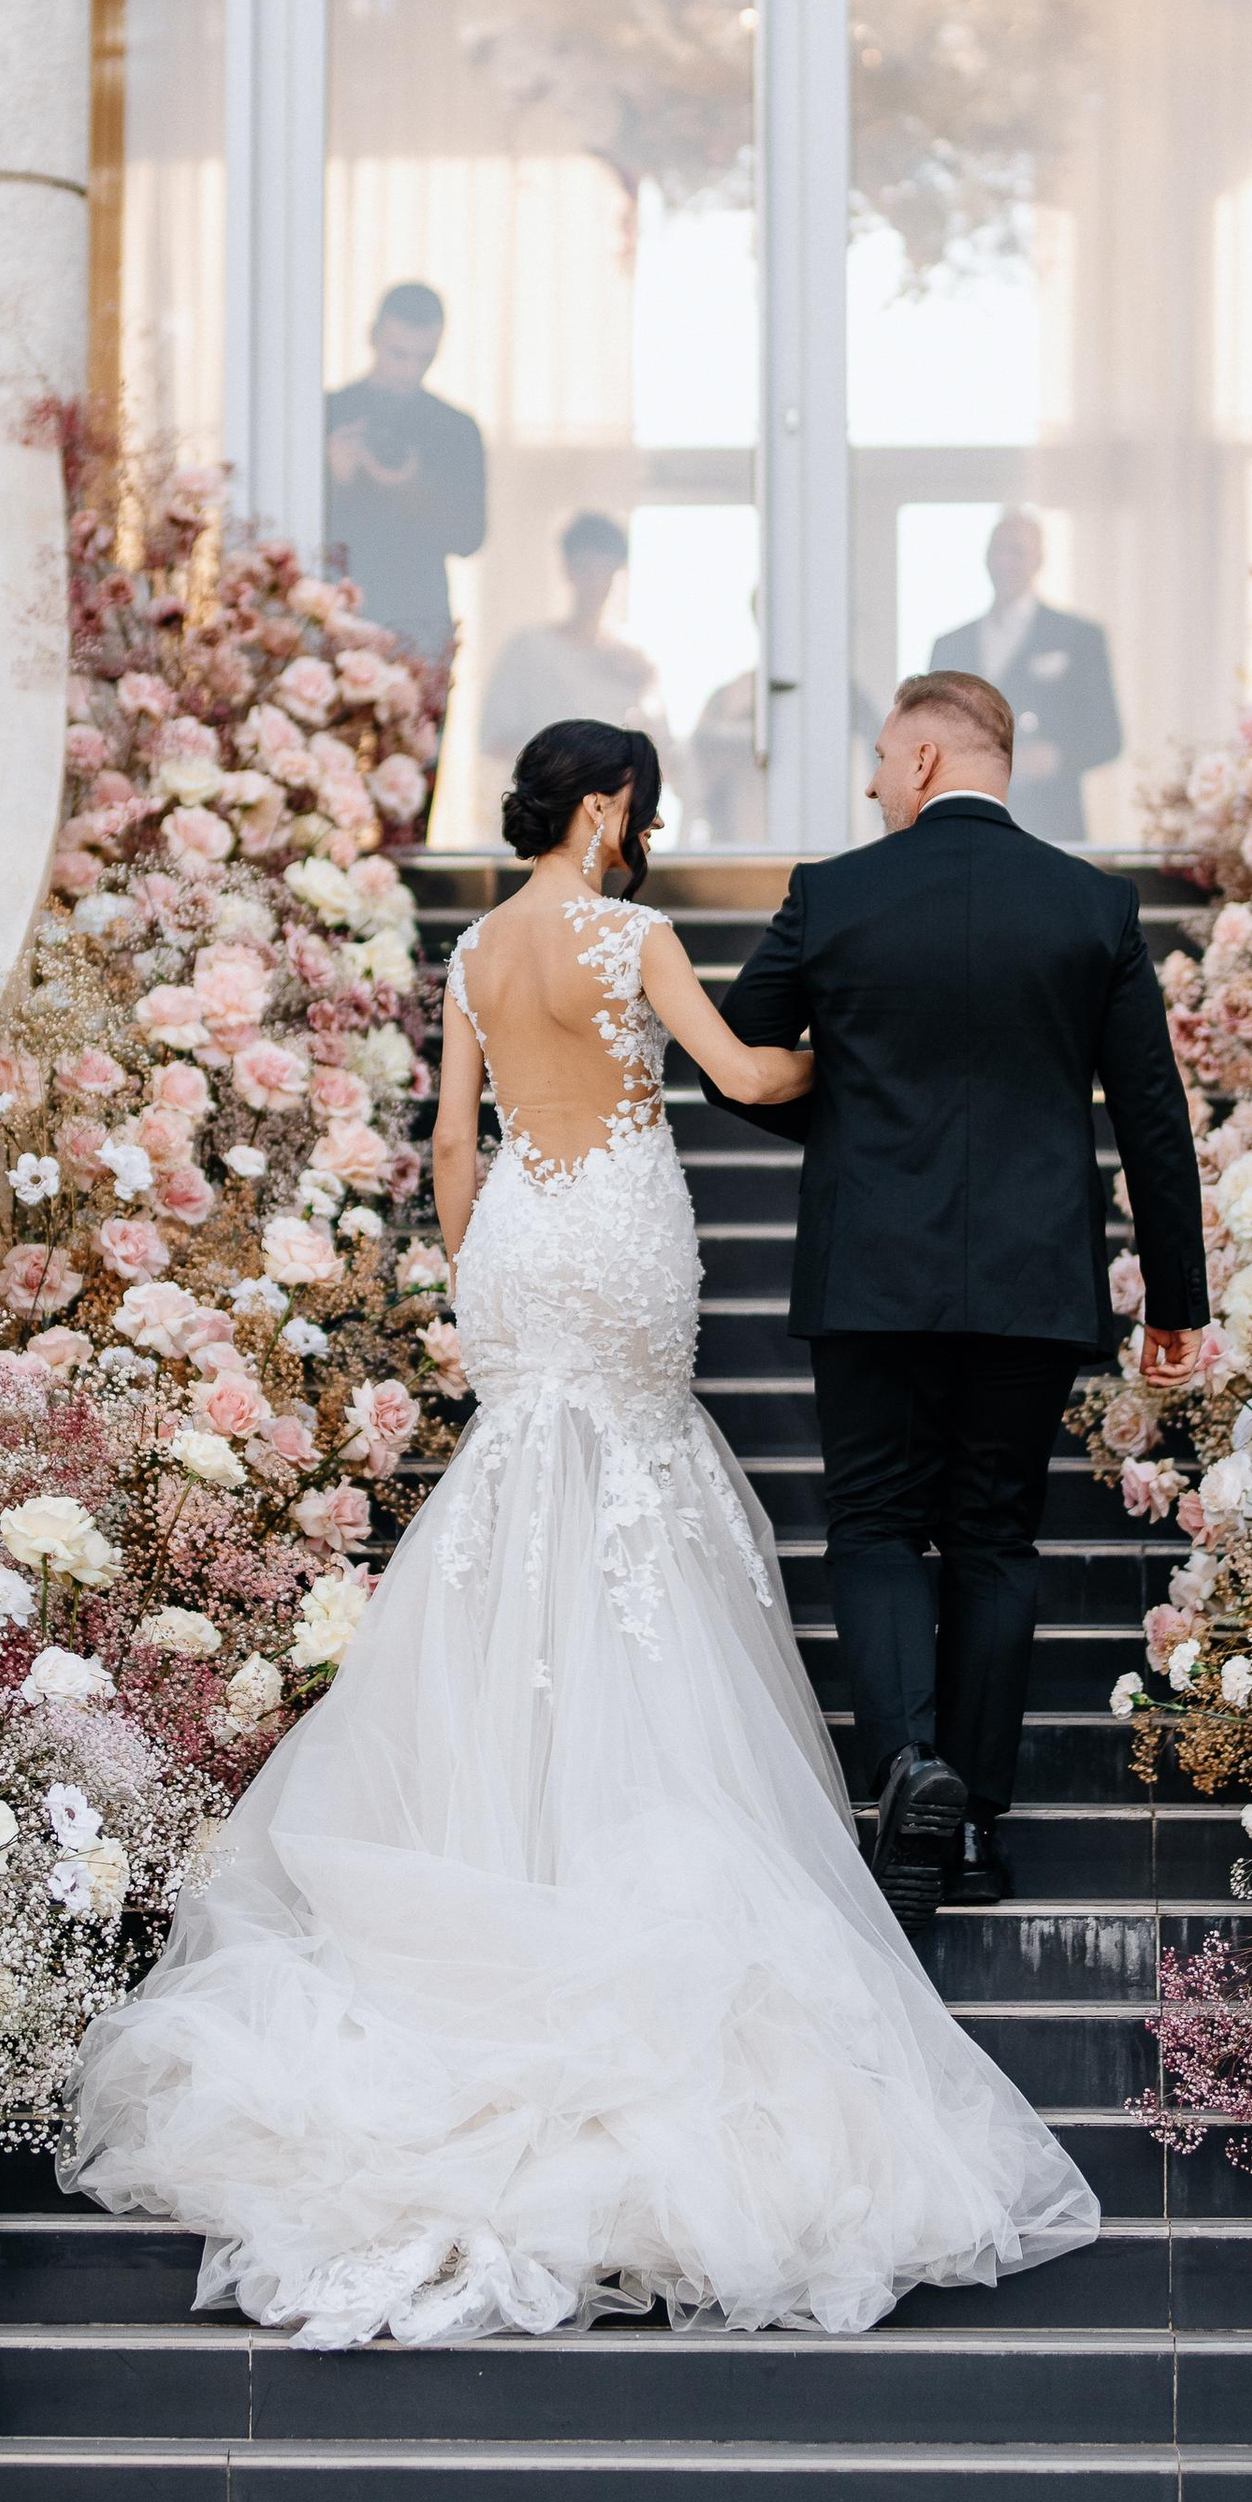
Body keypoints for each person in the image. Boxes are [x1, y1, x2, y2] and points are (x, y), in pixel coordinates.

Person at [63, 718, 1099, 2345]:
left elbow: (454, 1143)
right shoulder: (634, 934)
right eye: (640, 807)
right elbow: (749, 1071)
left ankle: (499, 1792)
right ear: (611, 809)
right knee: (641, 1478)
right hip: (620, 1229)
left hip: (528, 1242)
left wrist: (483, 1279)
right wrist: (884, 1053)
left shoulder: (478, 943)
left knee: (524, 1479)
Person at [719, 667, 1207, 1924]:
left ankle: (907, 1766)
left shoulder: (835, 895)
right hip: (1033, 1274)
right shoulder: (1092, 907)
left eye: (881, 758)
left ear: (926, 763)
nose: (873, 781)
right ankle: (978, 1826)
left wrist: (861, 1121)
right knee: (993, 1534)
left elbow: (738, 1058)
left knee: (878, 1522)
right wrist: (1175, 1303)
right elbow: (1153, 1120)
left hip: (871, 1266)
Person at [930, 507, 1121, 845]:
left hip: (1052, 825)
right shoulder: (950, 646)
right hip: (970, 824)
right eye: (997, 551)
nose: (1005, 562)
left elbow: (1108, 735)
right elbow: (932, 734)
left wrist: (1056, 758)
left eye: (1016, 551)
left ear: (1039, 560)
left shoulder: (1078, 637)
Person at [323, 282, 487, 669]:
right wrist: (335, 477)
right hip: (339, 610)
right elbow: (294, 531)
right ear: (372, 337)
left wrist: (410, 485)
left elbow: (469, 537)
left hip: (419, 620)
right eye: (398, 354)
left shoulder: (454, 429)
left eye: (423, 358)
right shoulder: (329, 414)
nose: (409, 370)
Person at [477, 510, 669, 774]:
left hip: (609, 809)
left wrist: (646, 685)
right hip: (545, 805)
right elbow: (494, 739)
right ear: (567, 568)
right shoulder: (529, 650)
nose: (594, 582)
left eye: (604, 570)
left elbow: (661, 756)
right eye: (585, 568)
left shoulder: (630, 664)